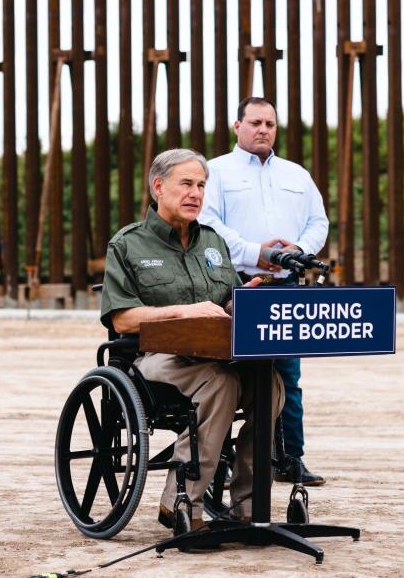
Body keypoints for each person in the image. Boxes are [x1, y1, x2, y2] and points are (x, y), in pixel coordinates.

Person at [100, 148, 284, 529]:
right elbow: (122, 317)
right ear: (158, 187)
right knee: (220, 384)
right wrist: (182, 312)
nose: (195, 193)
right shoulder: (128, 244)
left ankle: (250, 507)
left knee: (270, 384)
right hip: (155, 358)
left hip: (216, 352)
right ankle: (181, 503)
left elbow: (227, 301)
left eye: (201, 186)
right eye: (186, 184)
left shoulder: (213, 242)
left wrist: (244, 299)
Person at [199, 97, 329, 486]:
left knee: (288, 376)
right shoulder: (215, 172)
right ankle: (223, 462)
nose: (263, 130)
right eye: (255, 122)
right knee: (228, 374)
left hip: (284, 285)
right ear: (236, 126)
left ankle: (290, 459)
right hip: (235, 284)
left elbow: (318, 222)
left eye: (269, 124)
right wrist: (257, 252)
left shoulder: (296, 174)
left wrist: (297, 251)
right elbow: (209, 225)